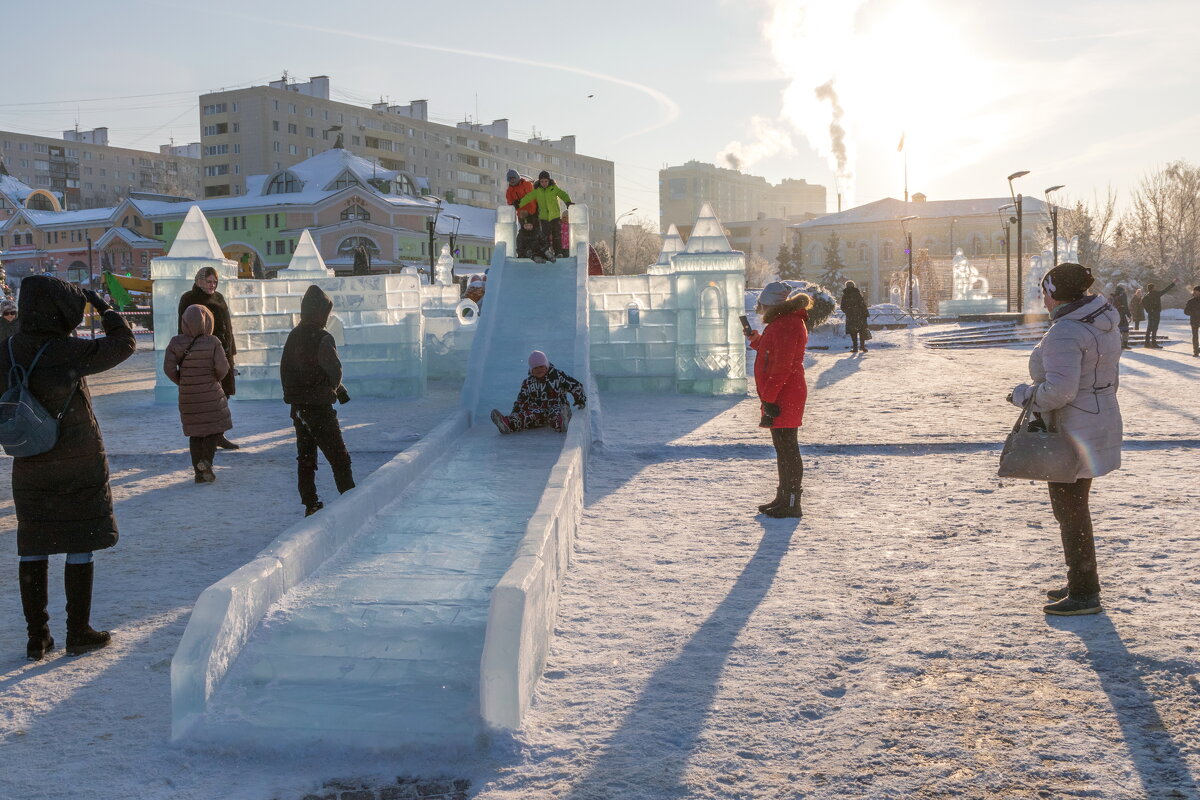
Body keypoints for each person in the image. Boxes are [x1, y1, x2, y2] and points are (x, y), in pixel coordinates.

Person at [2, 276, 136, 659]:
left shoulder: (6, 349)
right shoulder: (67, 351)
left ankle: (37, 636)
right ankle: (78, 631)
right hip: (77, 462)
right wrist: (106, 309)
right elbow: (124, 344)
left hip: (30, 462)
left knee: (34, 545)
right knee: (79, 542)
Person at [1007, 263, 1122, 616]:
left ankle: (1085, 592)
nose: (1043, 298)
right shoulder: (1102, 319)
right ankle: (1081, 582)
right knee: (1074, 509)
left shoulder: (1065, 332)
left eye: (1046, 291)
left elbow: (1059, 391)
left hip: (1071, 430)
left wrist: (1023, 394)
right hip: (1098, 419)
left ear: (1057, 293)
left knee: (1070, 512)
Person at [280, 285, 355, 517]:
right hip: (320, 408)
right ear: (320, 313)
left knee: (306, 457)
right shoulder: (323, 337)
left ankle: (310, 502)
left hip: (299, 408)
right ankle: (351, 498)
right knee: (338, 456)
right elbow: (334, 370)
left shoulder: (294, 336)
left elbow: (286, 370)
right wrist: (333, 387)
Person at [747, 281, 811, 518]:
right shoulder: (783, 322)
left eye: (762, 304)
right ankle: (784, 496)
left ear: (771, 304)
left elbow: (782, 366)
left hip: (785, 393)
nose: (759, 308)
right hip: (782, 392)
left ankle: (792, 502)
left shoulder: (786, 324)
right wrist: (756, 340)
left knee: (788, 449)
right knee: (782, 448)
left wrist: (769, 400)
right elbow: (771, 353)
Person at [163, 304, 232, 483]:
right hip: (210, 393)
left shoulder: (175, 342)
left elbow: (168, 368)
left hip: (188, 395)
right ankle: (206, 461)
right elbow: (223, 368)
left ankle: (198, 474)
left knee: (195, 433)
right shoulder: (213, 341)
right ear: (207, 321)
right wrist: (214, 378)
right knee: (213, 430)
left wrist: (182, 381)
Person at [178, 266, 239, 449]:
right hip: (202, 354)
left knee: (222, 396)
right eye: (209, 281)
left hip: (223, 352)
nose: (212, 285)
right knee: (206, 397)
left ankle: (217, 435)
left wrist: (232, 350)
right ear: (200, 280)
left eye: (215, 282)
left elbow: (228, 325)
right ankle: (205, 437)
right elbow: (183, 327)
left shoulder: (219, 298)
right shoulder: (189, 298)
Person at [490, 350, 585, 434]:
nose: (539, 370)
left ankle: (562, 421)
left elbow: (574, 385)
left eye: (541, 366)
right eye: (535, 368)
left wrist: (580, 399)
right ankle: (508, 424)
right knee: (525, 417)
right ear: (531, 370)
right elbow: (521, 400)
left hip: (556, 406)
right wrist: (515, 413)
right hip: (537, 411)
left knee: (556, 414)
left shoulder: (557, 376)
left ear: (546, 365)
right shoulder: (528, 383)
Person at [518, 171, 573, 260]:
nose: (544, 183)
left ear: (549, 181)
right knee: (545, 236)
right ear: (539, 181)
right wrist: (518, 204)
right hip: (543, 218)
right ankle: (547, 252)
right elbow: (528, 197)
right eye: (542, 181)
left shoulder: (553, 188)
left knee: (556, 235)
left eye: (546, 181)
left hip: (555, 216)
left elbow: (563, 194)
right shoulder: (537, 191)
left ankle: (558, 252)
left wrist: (568, 201)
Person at [1141, 280, 1177, 348]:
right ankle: (1154, 343)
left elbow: (1142, 302)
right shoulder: (1156, 294)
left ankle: (1147, 343)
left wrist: (1148, 310)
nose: (1156, 288)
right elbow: (1166, 290)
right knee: (1155, 328)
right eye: (1155, 287)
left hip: (1151, 313)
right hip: (1156, 313)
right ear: (1152, 288)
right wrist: (1173, 283)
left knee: (1149, 328)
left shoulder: (1147, 295)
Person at [839, 280, 870, 354]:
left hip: (851, 317)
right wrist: (865, 313)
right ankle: (862, 346)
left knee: (853, 332)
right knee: (862, 331)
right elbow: (863, 305)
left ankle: (855, 347)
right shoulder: (857, 294)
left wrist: (848, 311)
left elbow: (842, 306)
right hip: (860, 316)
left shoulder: (845, 295)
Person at [1109, 284, 1131, 349]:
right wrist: (1129, 315)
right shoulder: (1123, 295)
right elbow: (1126, 305)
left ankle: (1119, 344)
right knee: (1125, 330)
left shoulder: (1112, 296)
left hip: (1115, 315)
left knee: (1118, 330)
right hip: (1122, 315)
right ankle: (1125, 344)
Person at [1185, 285, 1200, 358]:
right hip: (1194, 321)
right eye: (1195, 291)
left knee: (1195, 336)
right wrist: (1194, 313)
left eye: (1197, 291)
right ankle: (1196, 351)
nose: (1195, 292)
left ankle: (1198, 350)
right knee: (1195, 337)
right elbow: (1186, 311)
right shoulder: (1191, 301)